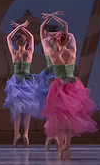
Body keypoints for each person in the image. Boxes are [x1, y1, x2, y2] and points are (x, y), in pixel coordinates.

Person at [41, 13, 97, 160]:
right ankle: (67, 147)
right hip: (73, 86)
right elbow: (70, 34)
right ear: (66, 40)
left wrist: (48, 22)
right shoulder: (72, 51)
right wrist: (60, 25)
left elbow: (43, 38)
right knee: (69, 120)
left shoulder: (52, 53)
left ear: (56, 40)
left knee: (60, 120)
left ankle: (60, 148)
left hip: (58, 86)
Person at [4, 20, 40, 148]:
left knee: (17, 111)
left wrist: (18, 27)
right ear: (25, 42)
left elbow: (8, 37)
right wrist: (24, 29)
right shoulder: (29, 52)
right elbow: (32, 37)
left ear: (17, 41)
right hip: (28, 82)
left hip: (16, 82)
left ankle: (16, 135)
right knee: (28, 111)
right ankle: (26, 134)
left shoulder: (14, 53)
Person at [34, 15, 59, 150]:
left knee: (58, 109)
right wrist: (49, 19)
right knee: (49, 107)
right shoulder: (46, 47)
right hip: (49, 78)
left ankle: (56, 135)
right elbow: (41, 31)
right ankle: (50, 135)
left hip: (59, 77)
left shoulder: (59, 46)